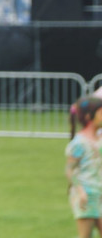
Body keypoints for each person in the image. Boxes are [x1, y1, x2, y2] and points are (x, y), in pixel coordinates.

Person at [66, 96, 102, 238]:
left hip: (99, 192)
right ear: (89, 117)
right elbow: (70, 169)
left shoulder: (99, 138)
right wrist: (80, 192)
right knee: (85, 236)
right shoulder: (79, 143)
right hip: (86, 194)